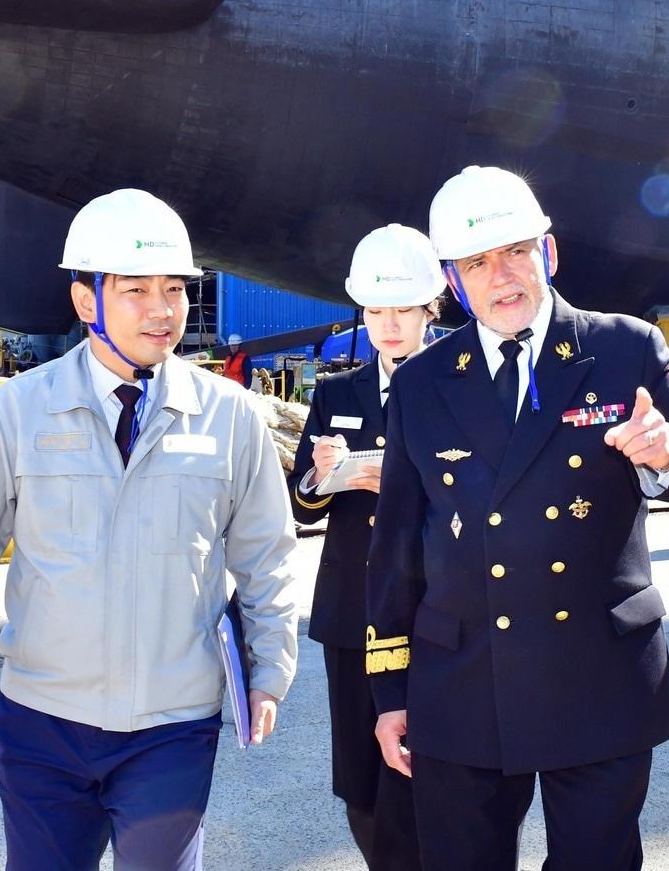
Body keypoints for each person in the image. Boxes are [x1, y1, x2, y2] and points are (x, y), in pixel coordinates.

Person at [0, 189, 299, 871]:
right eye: (136, 289)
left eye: (175, 288)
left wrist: (270, 671)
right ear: (87, 302)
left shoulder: (228, 417)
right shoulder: (22, 410)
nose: (163, 309)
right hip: (42, 728)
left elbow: (268, 559)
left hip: (172, 728)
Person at [367, 166, 669, 870]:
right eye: (477, 262)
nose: (502, 276)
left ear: (550, 251)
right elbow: (395, 551)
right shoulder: (420, 383)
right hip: (461, 682)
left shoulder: (623, 347)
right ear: (452, 280)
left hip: (595, 675)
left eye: (516, 251)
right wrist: (390, 691)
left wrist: (667, 451)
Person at [288, 223, 444, 871]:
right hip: (354, 609)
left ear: (430, 310)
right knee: (360, 773)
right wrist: (322, 477)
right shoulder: (335, 393)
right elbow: (300, 502)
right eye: (376, 311)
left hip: (438, 609)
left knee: (432, 767)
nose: (388, 324)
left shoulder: (460, 387)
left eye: (402, 310)